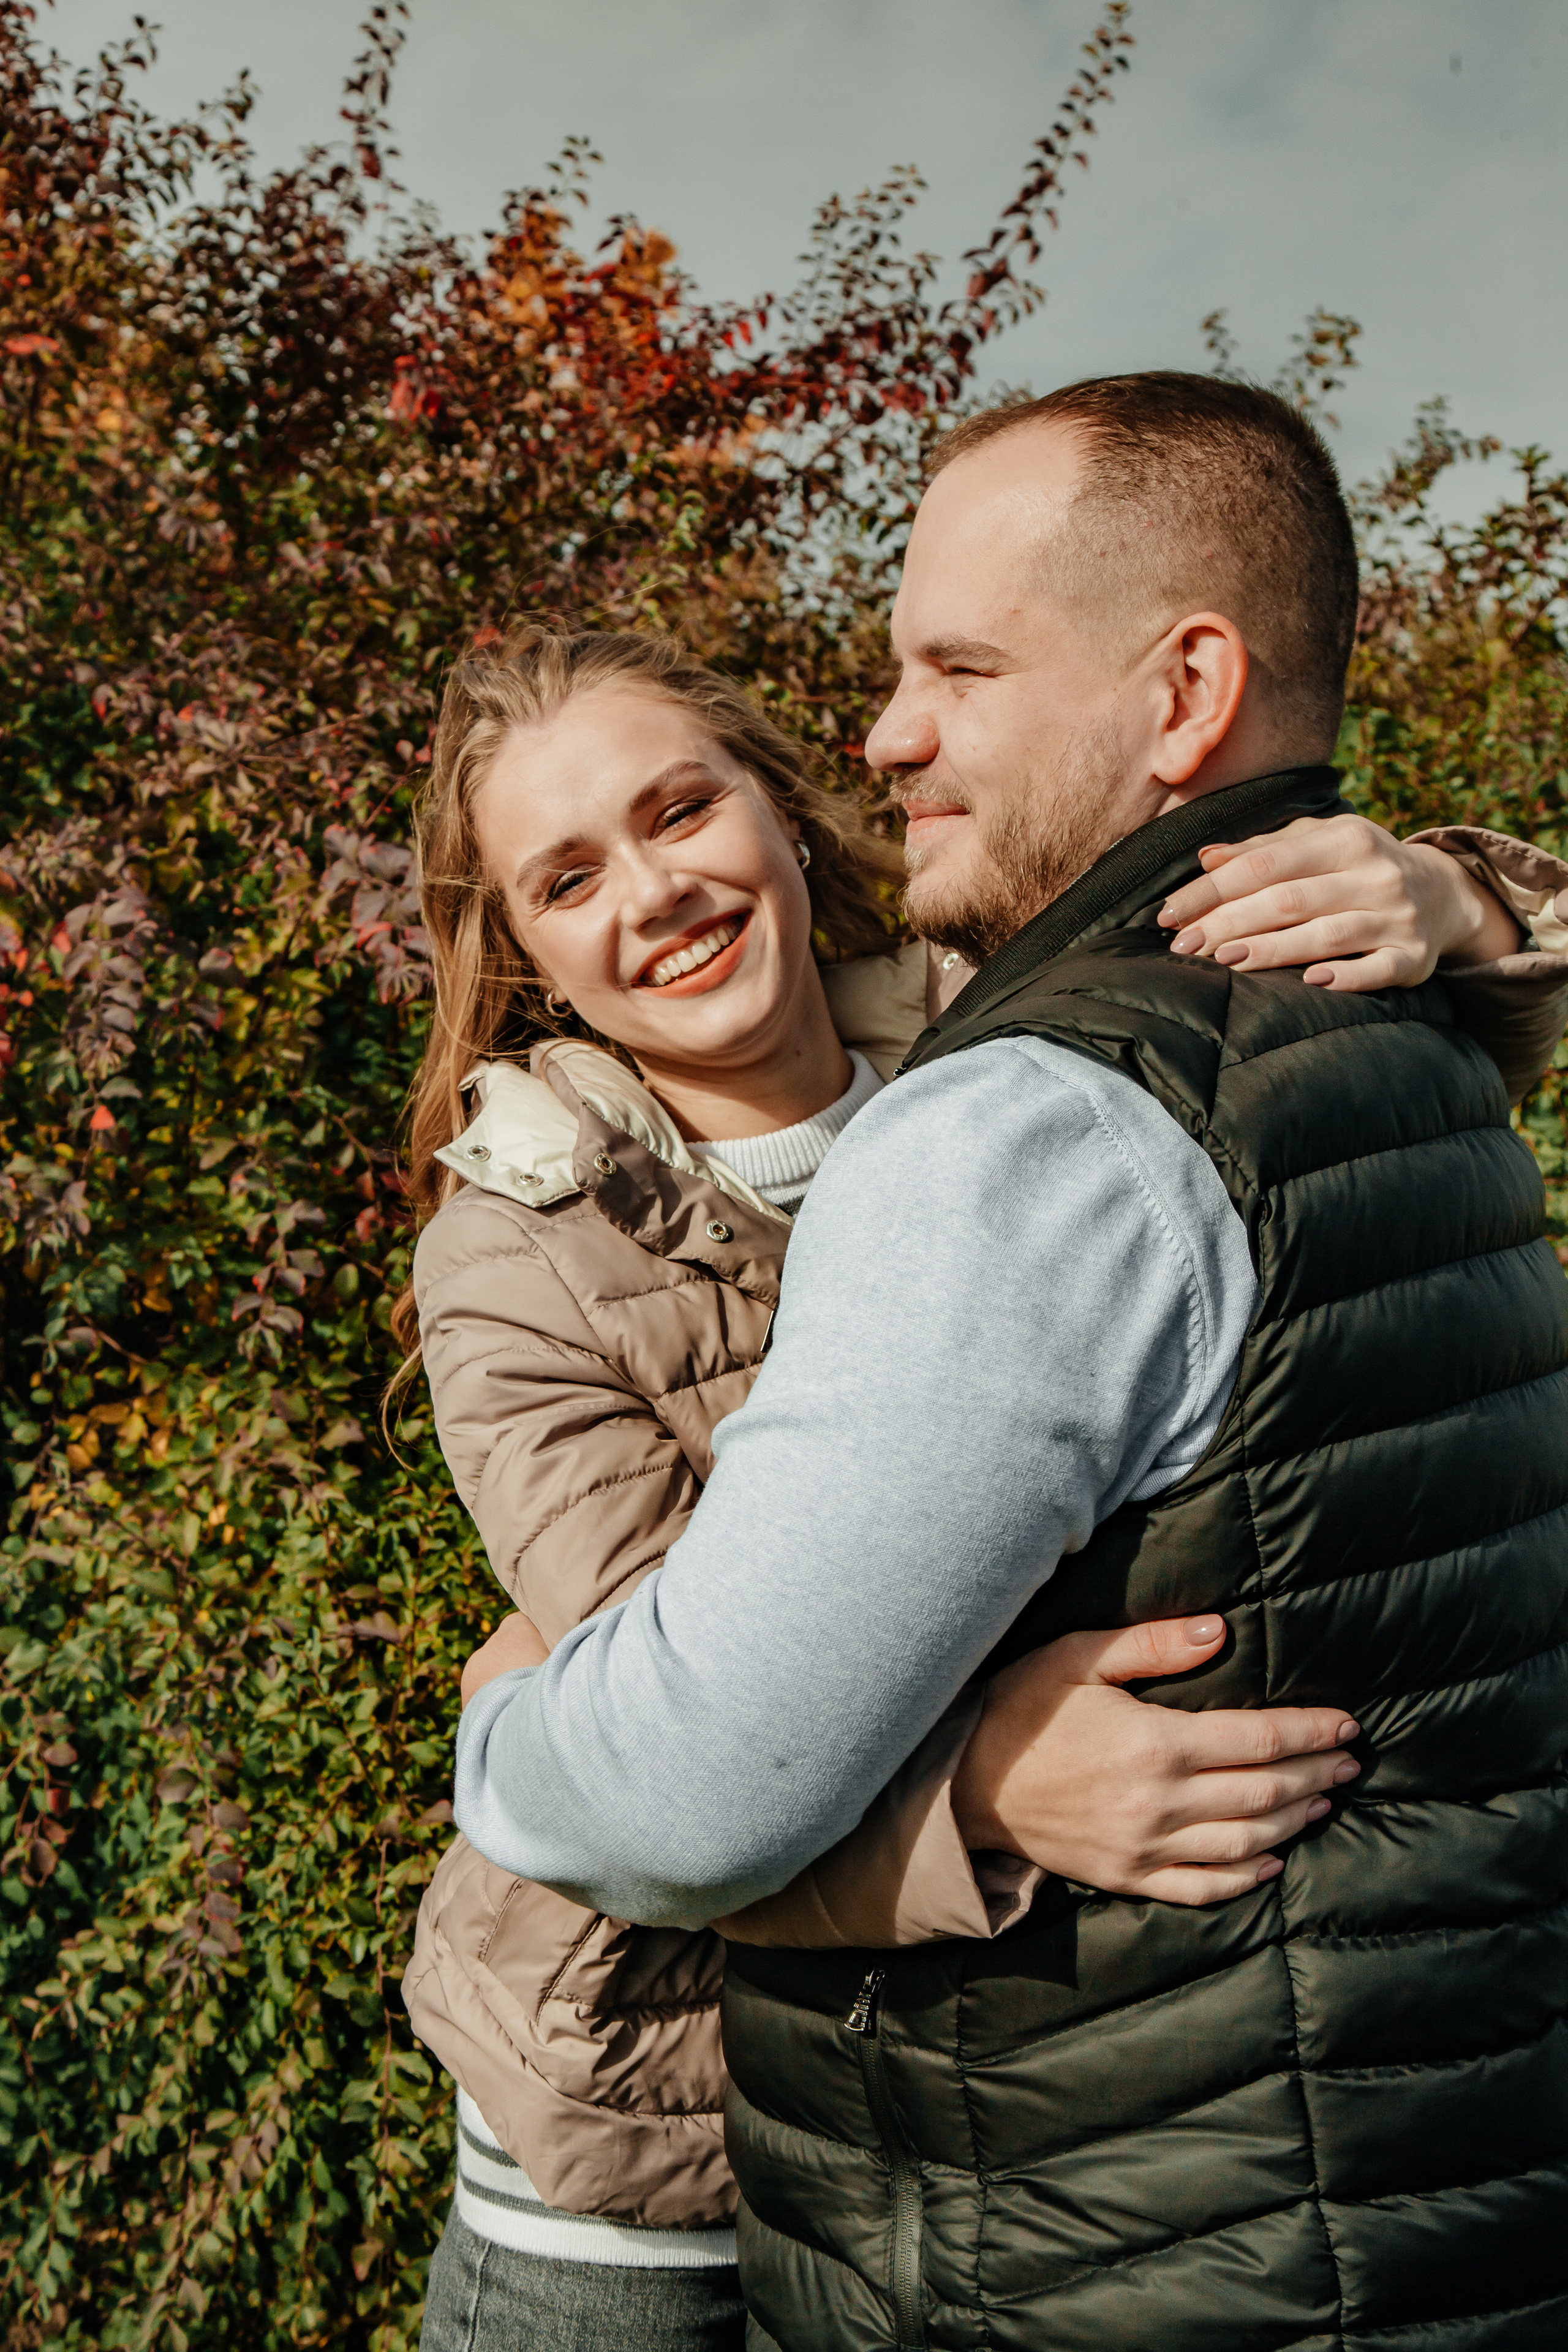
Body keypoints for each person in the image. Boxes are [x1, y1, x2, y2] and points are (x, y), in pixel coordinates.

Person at [449, 378, 1568, 2352]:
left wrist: (1464, 893)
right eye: (566, 880)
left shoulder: (1007, 1081)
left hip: (1002, 2156)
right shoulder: (521, 1250)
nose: (655, 892)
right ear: (531, 959)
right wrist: (976, 1788)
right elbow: (679, 1765)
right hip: (625, 2131)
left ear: (783, 820)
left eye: (682, 807)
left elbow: (666, 1747)